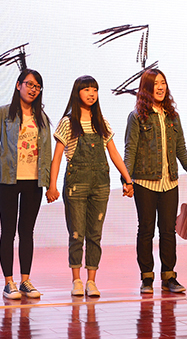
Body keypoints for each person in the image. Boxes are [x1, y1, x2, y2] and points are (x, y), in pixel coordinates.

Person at [46, 75, 134, 297]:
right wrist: (52, 186)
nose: (91, 93)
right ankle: (76, 280)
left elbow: (113, 153)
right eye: (86, 89)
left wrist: (128, 179)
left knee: (95, 234)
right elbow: (57, 158)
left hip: (100, 184)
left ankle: (91, 281)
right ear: (77, 93)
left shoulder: (101, 122)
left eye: (94, 89)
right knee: (77, 234)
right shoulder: (68, 122)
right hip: (76, 184)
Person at [0, 69, 51, 300]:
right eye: (30, 84)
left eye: (37, 87)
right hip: (8, 181)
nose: (33, 90)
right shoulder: (4, 113)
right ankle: (9, 282)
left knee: (27, 232)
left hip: (33, 182)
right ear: (18, 85)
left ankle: (25, 280)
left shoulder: (42, 118)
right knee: (8, 232)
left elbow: (47, 153)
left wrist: (49, 185)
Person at [123, 68, 187, 294]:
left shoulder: (172, 116)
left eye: (163, 82)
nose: (160, 87)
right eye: (156, 83)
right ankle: (147, 277)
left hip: (170, 183)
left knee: (168, 231)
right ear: (146, 88)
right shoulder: (137, 117)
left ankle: (169, 276)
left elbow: (181, 148)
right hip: (145, 182)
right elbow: (130, 150)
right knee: (146, 230)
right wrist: (127, 180)